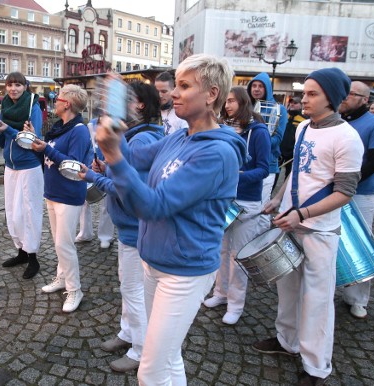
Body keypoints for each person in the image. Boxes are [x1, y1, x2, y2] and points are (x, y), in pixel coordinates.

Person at [95, 55, 247, 384]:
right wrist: (114, 113)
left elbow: (154, 205)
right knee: (168, 354)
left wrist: (113, 155)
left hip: (185, 271)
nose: (173, 93)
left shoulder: (217, 153)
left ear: (211, 94)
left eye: (184, 85)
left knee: (150, 370)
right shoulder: (180, 136)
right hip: (155, 261)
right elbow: (133, 158)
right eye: (175, 85)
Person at [253, 68, 364, 386]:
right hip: (291, 221)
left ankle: (317, 367)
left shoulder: (347, 138)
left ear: (332, 99)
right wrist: (278, 199)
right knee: (286, 290)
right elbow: (297, 172)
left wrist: (302, 214)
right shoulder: (303, 129)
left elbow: (344, 193)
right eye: (305, 93)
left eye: (312, 94)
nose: (304, 99)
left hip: (319, 231)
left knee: (316, 298)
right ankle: (287, 342)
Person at [82, 81, 164, 372]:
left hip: (133, 227)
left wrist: (93, 176)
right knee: (127, 285)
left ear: (139, 105)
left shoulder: (141, 139)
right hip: (128, 225)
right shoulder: (137, 135)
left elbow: (129, 187)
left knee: (133, 289)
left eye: (126, 99)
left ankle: (141, 350)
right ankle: (127, 333)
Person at [204, 86, 270, 325]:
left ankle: (235, 304)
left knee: (238, 256)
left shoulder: (258, 132)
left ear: (243, 103)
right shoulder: (226, 129)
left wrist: (234, 176)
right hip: (225, 199)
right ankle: (220, 294)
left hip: (248, 201)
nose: (227, 105)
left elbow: (264, 168)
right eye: (226, 101)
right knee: (221, 250)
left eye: (231, 101)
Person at [29, 84, 92, 313]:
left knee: (64, 244)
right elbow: (49, 156)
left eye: (58, 98)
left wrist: (46, 148)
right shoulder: (60, 127)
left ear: (68, 104)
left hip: (69, 194)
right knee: (58, 241)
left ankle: (75, 288)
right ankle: (62, 277)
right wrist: (37, 144)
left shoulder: (79, 131)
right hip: (53, 192)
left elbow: (73, 164)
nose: (54, 100)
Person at [338, 81, 374, 319]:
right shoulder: (338, 121)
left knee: (360, 244)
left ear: (365, 99)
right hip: (333, 192)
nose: (346, 97)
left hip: (360, 193)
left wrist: (345, 183)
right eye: (345, 93)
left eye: (352, 94)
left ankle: (358, 299)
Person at [0, 72, 44, 279]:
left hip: (29, 166)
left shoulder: (33, 106)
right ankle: (21, 252)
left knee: (29, 212)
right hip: (11, 166)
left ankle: (33, 258)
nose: (13, 88)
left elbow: (33, 141)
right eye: (9, 85)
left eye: (18, 85)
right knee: (13, 212)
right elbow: (1, 143)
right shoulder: (5, 106)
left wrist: (8, 130)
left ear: (25, 86)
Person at [247, 73, 287, 227]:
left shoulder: (279, 109)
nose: (256, 89)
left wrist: (256, 141)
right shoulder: (247, 107)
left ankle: (259, 244)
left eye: (260, 86)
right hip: (248, 164)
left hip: (267, 164)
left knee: (262, 207)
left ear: (267, 88)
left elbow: (278, 138)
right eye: (254, 86)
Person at [74, 123, 115, 249]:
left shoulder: (115, 124)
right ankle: (85, 232)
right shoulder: (90, 125)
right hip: (90, 167)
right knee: (83, 202)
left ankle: (106, 236)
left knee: (107, 205)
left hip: (107, 168)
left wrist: (106, 163)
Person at [277, 96, 306, 184]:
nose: (292, 104)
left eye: (295, 103)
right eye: (291, 103)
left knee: (289, 175)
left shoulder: (304, 119)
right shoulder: (283, 115)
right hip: (280, 150)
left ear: (300, 105)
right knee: (276, 173)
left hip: (292, 153)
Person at [154, 71, 188, 135]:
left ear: (173, 90)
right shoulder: (151, 111)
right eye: (157, 91)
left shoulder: (182, 114)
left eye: (164, 92)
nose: (160, 95)